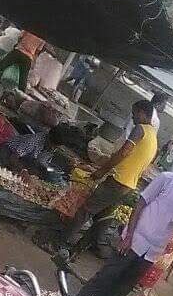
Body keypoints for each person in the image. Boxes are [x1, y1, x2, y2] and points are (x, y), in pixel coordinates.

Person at [77, 150, 173, 296]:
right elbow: (140, 204)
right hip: (134, 241)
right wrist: (128, 236)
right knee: (104, 278)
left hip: (152, 253)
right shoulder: (166, 179)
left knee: (120, 289)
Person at [62, 100, 159, 257]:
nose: (133, 117)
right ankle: (76, 251)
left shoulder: (140, 129)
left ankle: (59, 242)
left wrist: (102, 171)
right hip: (129, 186)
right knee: (103, 219)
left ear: (142, 112)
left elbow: (124, 152)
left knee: (85, 210)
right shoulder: (153, 137)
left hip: (118, 181)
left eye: (134, 113)